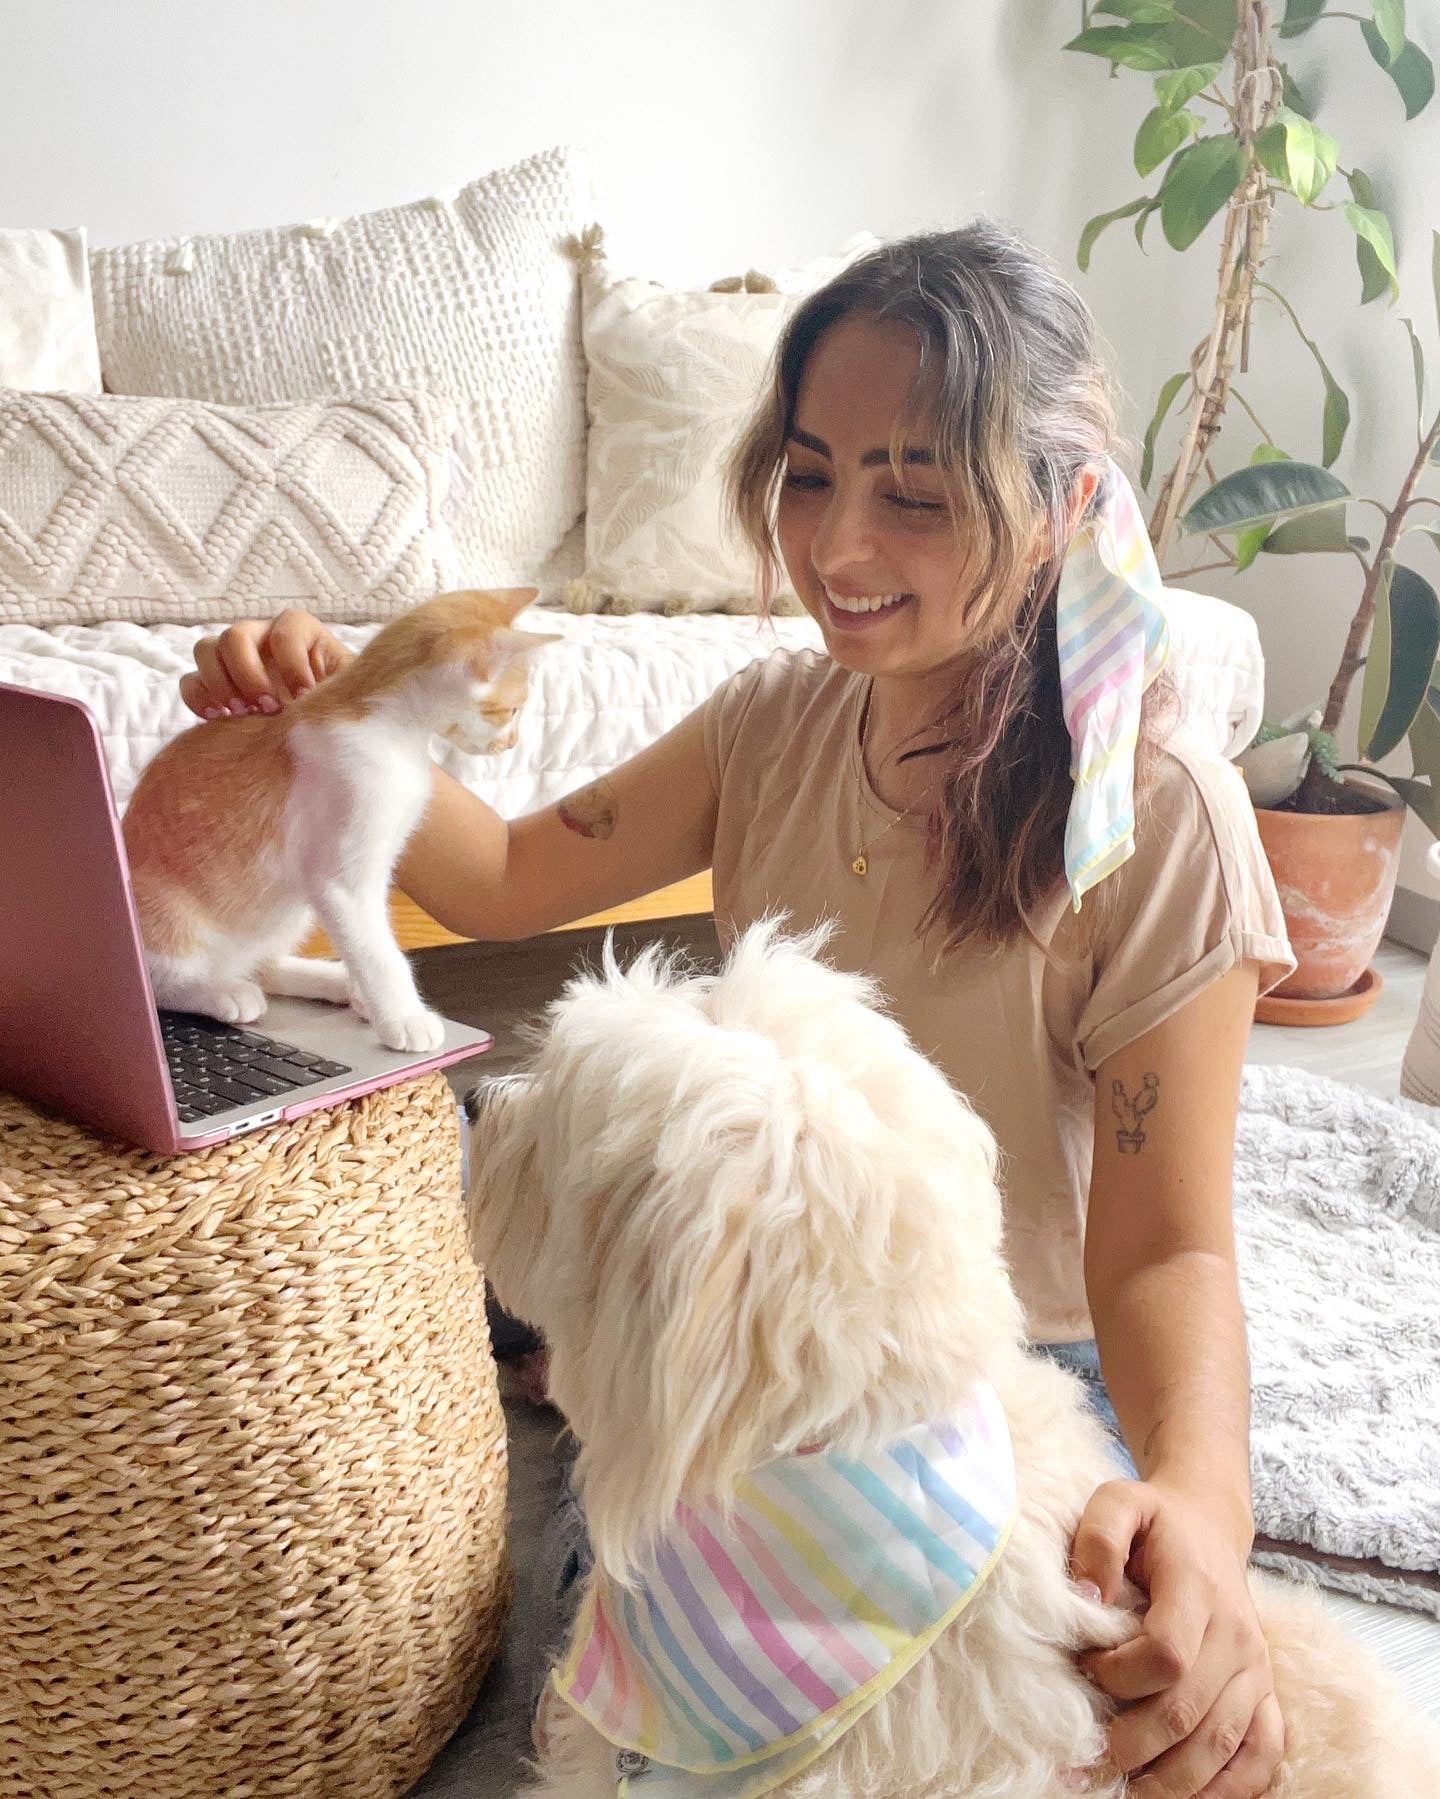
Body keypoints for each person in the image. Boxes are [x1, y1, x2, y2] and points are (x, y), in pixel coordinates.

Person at [179, 221, 1296, 1798]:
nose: (837, 545)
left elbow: (1170, 1246)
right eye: (811, 472)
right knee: (398, 1140)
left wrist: (1202, 1501)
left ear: (1056, 508)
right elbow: (501, 877)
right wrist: (334, 720)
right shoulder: (772, 719)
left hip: (946, 1371)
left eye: (913, 493)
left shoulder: (1150, 814)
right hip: (723, 1288)